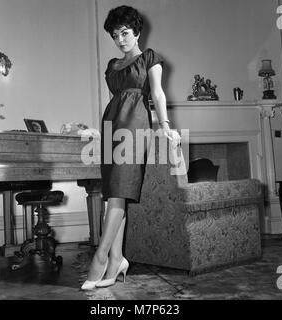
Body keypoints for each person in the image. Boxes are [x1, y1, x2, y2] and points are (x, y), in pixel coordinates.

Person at [81, 5, 180, 290]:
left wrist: (165, 124)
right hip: (112, 125)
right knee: (115, 193)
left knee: (121, 189)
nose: (121, 39)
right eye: (115, 35)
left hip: (135, 125)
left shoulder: (150, 58)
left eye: (125, 32)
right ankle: (117, 259)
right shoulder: (112, 67)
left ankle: (100, 257)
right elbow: (114, 102)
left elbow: (158, 93)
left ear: (137, 32)